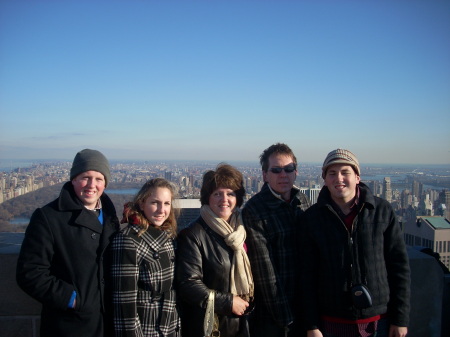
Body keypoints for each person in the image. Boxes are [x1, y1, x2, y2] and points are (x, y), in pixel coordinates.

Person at [300, 149, 410, 337]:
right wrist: (312, 325)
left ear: (357, 177)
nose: (339, 178)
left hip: (378, 321)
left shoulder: (381, 211)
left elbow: (398, 267)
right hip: (331, 322)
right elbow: (306, 276)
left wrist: (400, 319)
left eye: (345, 172)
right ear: (324, 179)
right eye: (332, 173)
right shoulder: (311, 219)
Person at [16, 148, 119, 337]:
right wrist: (72, 299)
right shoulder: (48, 217)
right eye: (85, 177)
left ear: (105, 182)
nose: (91, 185)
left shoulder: (111, 216)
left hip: (107, 322)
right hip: (70, 325)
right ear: (73, 179)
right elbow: (30, 272)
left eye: (99, 179)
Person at [241, 143, 311, 337]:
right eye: (276, 170)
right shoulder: (255, 211)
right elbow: (265, 272)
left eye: (289, 169)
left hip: (306, 306)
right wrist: (286, 320)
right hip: (275, 318)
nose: (283, 175)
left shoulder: (302, 201)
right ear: (265, 175)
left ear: (296, 172)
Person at [176, 164, 254, 337]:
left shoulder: (244, 230)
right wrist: (228, 302)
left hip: (245, 324)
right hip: (213, 326)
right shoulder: (193, 235)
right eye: (217, 193)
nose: (224, 199)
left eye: (230, 193)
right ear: (207, 198)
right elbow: (188, 284)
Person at [111, 178, 180, 337]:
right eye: (155, 203)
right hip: (148, 330)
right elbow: (124, 303)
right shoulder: (128, 240)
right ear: (142, 204)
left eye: (167, 203)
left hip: (172, 327)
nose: (161, 210)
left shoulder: (169, 237)